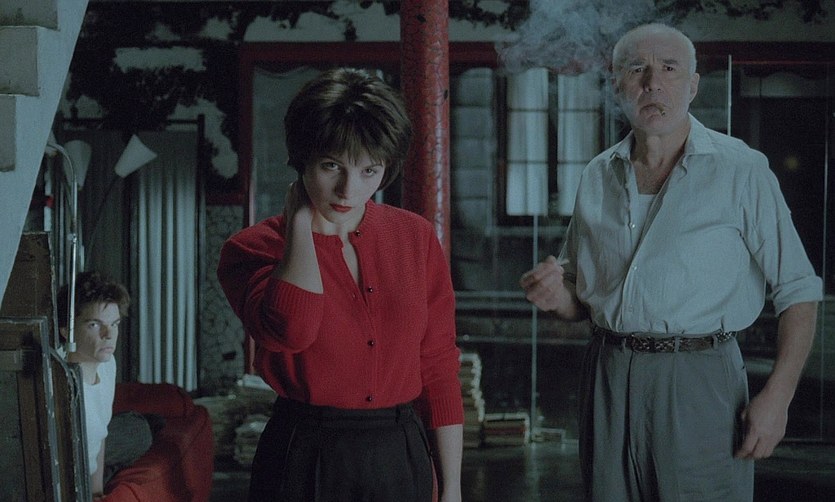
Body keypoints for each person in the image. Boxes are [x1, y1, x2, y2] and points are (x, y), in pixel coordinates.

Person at [520, 23, 822, 501]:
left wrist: (778, 397)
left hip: (700, 376)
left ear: (693, 85)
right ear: (616, 84)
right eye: (636, 69)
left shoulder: (741, 169)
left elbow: (799, 291)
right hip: (608, 374)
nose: (652, 83)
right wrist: (556, 295)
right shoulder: (598, 174)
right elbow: (581, 296)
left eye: (669, 68)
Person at [217, 67, 464, 502]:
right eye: (332, 166)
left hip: (399, 450)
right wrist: (299, 225)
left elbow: (438, 365)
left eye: (370, 170)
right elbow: (290, 332)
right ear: (302, 160)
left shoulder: (416, 238)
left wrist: (453, 487)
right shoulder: (251, 249)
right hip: (304, 451)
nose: (349, 189)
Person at [57, 270, 153, 498]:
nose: (109, 335)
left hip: (92, 455)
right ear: (66, 330)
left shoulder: (108, 363)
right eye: (94, 325)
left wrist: (98, 491)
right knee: (140, 429)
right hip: (71, 468)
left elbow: (100, 437)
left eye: (114, 324)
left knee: (140, 428)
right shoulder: (60, 381)